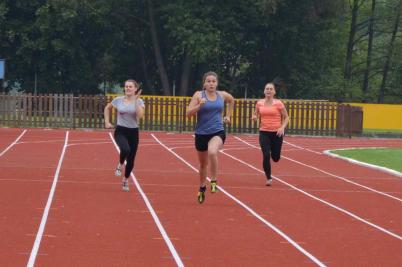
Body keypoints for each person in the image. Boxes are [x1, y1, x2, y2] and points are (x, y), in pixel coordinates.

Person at [186, 71, 234, 203]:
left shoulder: (222, 95)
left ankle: (213, 180)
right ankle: (202, 188)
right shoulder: (198, 95)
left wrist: (228, 115)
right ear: (204, 84)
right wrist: (199, 106)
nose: (211, 83)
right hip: (201, 133)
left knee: (213, 152)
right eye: (208, 81)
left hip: (217, 131)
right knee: (203, 164)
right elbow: (188, 114)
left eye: (213, 81)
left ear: (217, 83)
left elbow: (231, 100)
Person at [104, 79, 145, 192]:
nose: (127, 88)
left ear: (135, 89)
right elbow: (107, 108)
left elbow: (140, 115)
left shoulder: (140, 101)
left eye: (130, 87)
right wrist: (107, 122)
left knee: (131, 160)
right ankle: (120, 164)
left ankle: (125, 179)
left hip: (133, 132)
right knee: (125, 149)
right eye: (126, 86)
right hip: (121, 130)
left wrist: (136, 101)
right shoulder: (118, 100)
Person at [252, 82, 289, 186]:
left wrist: (282, 127)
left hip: (277, 133)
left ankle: (275, 152)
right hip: (264, 132)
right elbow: (256, 115)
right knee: (266, 155)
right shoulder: (259, 103)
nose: (268, 91)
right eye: (267, 89)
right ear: (264, 91)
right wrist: (254, 118)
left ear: (274, 92)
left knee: (276, 158)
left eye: (270, 89)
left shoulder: (278, 103)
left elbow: (286, 117)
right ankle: (268, 178)